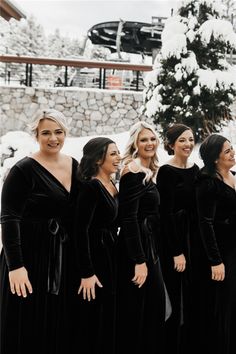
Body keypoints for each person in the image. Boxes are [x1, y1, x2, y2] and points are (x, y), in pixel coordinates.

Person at [0, 109, 79, 354]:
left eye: (58, 132)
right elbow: (9, 218)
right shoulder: (22, 170)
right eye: (46, 133)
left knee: (57, 324)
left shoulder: (74, 165)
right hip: (29, 257)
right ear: (36, 135)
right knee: (26, 322)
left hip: (62, 257)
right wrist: (16, 266)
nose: (53, 138)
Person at [116, 121, 170, 354]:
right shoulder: (133, 171)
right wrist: (139, 260)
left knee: (152, 308)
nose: (149, 143)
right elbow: (128, 218)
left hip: (150, 244)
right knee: (140, 310)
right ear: (135, 144)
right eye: (143, 139)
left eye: (152, 138)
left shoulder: (150, 170)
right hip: (136, 250)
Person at [156, 123, 207, 354]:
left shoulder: (196, 169)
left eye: (190, 139)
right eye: (181, 141)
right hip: (175, 242)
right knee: (176, 297)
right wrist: (177, 251)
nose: (187, 144)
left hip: (194, 240)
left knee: (193, 295)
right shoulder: (166, 172)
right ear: (171, 145)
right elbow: (165, 215)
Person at [74, 137, 120, 354]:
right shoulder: (91, 187)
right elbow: (80, 231)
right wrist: (87, 272)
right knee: (95, 315)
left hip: (110, 253)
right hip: (96, 258)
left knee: (109, 313)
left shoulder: (111, 183)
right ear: (98, 159)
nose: (118, 158)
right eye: (113, 154)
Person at [196, 133, 236, 354]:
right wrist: (216, 260)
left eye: (232, 148)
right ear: (214, 158)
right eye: (227, 151)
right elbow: (206, 223)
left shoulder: (234, 176)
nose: (233, 153)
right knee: (226, 305)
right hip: (224, 252)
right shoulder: (208, 184)